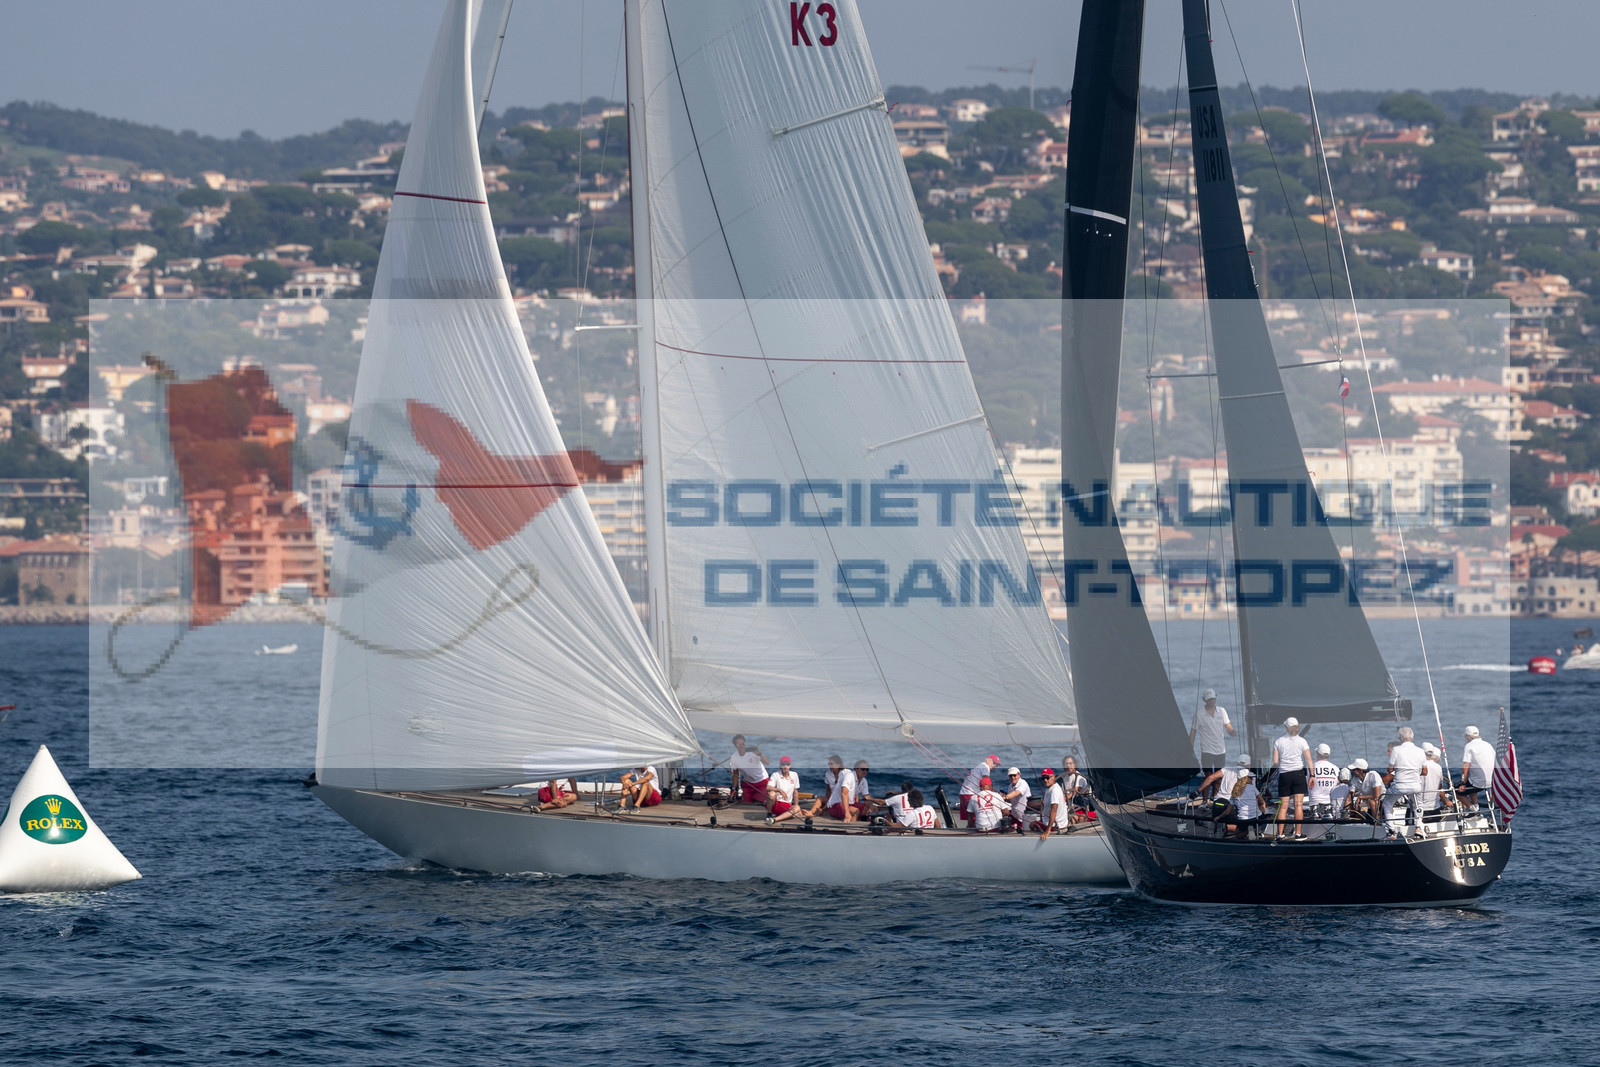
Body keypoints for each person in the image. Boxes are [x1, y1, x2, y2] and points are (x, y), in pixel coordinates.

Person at [1272, 717, 1313, 840]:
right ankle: (1298, 833)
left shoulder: (1279, 741)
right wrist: (1312, 775)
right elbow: (1309, 760)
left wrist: (1284, 763)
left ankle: (1279, 834)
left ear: (1286, 727)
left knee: (1283, 806)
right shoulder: (1302, 741)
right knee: (1298, 805)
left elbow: (1275, 761)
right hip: (1298, 774)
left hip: (1285, 775)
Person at [1189, 688, 1237, 792]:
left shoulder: (1222, 711)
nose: (1211, 701)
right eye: (1209, 699)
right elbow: (1193, 731)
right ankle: (1205, 801)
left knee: (1219, 775)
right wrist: (1190, 747)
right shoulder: (1199, 714)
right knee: (1208, 775)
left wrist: (1232, 731)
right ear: (1204, 700)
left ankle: (1214, 797)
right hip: (1207, 750)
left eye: (1213, 699)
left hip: (1220, 750)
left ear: (1216, 698)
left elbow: (1228, 726)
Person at [1384, 726, 1426, 834]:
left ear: (1401, 738)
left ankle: (1391, 830)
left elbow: (1390, 770)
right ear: (1412, 737)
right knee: (1419, 805)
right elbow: (1425, 772)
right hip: (1416, 785)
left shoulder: (1396, 750)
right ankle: (1418, 828)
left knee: (1387, 803)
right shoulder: (1420, 751)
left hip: (1400, 786)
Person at [1460, 725, 1496, 809]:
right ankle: (1476, 806)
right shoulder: (1488, 745)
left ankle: (1473, 810)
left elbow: (1466, 765)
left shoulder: (1469, 746)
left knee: (1457, 791)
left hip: (1479, 783)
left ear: (1468, 736)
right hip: (1492, 781)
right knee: (1471, 781)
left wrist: (1463, 783)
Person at [959, 755, 1001, 827]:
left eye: (996, 765)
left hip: (963, 793)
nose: (994, 765)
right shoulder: (985, 766)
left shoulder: (978, 766)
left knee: (970, 818)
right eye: (993, 762)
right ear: (987, 760)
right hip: (970, 794)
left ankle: (969, 831)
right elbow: (986, 781)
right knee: (975, 818)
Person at [728, 735, 769, 805]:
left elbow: (767, 763)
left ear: (745, 743)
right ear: (735, 745)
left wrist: (760, 754)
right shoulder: (734, 758)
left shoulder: (752, 753)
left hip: (762, 781)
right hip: (748, 783)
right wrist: (733, 789)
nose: (741, 746)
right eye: (738, 744)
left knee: (758, 802)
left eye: (742, 743)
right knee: (746, 803)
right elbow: (735, 774)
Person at [1307, 743, 1340, 823]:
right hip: (1330, 804)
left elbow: (1307, 784)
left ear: (1318, 754)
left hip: (1314, 803)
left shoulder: (1311, 767)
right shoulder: (1336, 768)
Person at [1038, 769, 1073, 840]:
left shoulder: (1054, 791)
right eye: (1043, 778)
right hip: (1052, 823)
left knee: (1032, 825)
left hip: (1056, 826)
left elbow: (1054, 810)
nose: (1045, 780)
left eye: (1047, 778)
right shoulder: (1050, 788)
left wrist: (1048, 831)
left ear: (1053, 777)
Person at [765, 756, 802, 824]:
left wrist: (796, 805)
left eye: (787, 764)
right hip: (775, 804)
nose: (785, 767)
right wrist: (780, 790)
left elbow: (795, 792)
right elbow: (768, 787)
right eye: (783, 764)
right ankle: (769, 814)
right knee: (771, 794)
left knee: (797, 808)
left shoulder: (794, 775)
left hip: (787, 805)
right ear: (780, 766)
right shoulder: (775, 775)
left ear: (790, 766)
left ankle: (774, 820)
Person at [1229, 769, 1263, 839]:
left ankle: (1248, 831)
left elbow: (1229, 808)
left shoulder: (1235, 790)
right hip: (1256, 818)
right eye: (1251, 778)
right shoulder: (1252, 787)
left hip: (1243, 819)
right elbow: (1261, 802)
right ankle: (1257, 830)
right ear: (1246, 779)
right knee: (1262, 808)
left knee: (1238, 836)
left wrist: (1219, 817)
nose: (1252, 780)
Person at [823, 755, 858, 822]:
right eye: (829, 764)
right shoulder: (828, 774)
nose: (830, 766)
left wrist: (855, 802)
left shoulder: (847, 773)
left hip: (845, 799)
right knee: (819, 799)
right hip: (835, 799)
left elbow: (854, 789)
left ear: (838, 764)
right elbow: (828, 789)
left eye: (832, 764)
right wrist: (828, 801)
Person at [1000, 766, 1032, 835]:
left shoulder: (1023, 783)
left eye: (1014, 775)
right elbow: (1010, 800)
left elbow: (1017, 793)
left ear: (1019, 775)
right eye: (1010, 776)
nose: (1012, 777)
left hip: (1023, 818)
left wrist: (1004, 797)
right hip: (1015, 816)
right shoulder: (1010, 786)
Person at [1350, 758, 1384, 822]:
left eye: (1354, 770)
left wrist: (1360, 797)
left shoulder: (1373, 775)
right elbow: (1351, 793)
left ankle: (1377, 823)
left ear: (1360, 770)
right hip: (1368, 803)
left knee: (1373, 802)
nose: (1352, 771)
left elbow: (1377, 795)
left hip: (1382, 800)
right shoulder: (1355, 778)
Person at [1060, 757, 1092, 822]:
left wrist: (1063, 799)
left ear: (1075, 764)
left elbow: (1075, 791)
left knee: (1073, 818)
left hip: (1081, 807)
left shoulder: (1079, 777)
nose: (1068, 766)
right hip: (1068, 807)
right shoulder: (1065, 778)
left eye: (1070, 763)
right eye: (1066, 764)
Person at [1419, 743, 1444, 819]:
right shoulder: (1438, 767)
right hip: (1435, 807)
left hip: (1419, 808)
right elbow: (1440, 787)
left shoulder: (1417, 765)